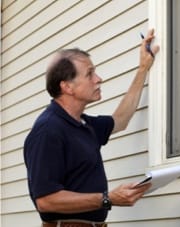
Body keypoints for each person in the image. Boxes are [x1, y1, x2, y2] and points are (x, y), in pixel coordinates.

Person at [24, 29, 159, 227]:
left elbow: (120, 120)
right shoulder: (48, 130)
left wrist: (143, 69)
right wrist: (107, 198)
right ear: (67, 87)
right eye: (90, 74)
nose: (98, 78)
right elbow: (45, 201)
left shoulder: (82, 124)